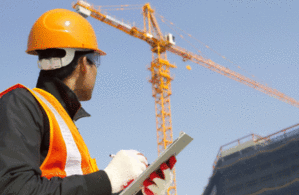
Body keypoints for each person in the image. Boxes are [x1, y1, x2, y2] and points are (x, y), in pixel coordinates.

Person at [0, 8, 176, 195]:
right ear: (84, 63)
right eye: (96, 60)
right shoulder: (20, 104)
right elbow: (13, 189)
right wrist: (107, 179)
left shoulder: (61, 123)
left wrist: (138, 191)